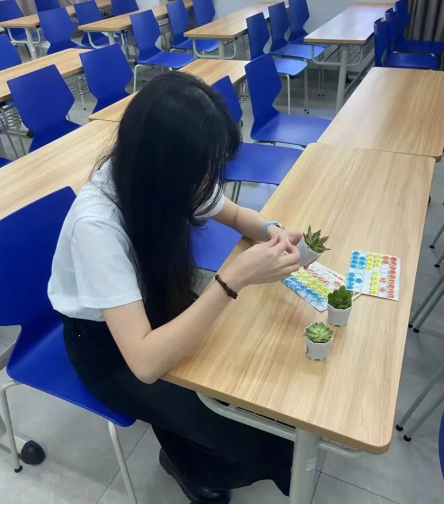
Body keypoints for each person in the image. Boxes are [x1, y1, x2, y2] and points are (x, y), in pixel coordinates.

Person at [48, 72, 302, 504]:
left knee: (256, 386)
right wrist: (233, 280)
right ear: (167, 166)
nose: (208, 183)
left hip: (156, 306)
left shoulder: (163, 178)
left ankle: (195, 448)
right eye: (203, 171)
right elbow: (145, 363)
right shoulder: (97, 225)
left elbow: (235, 214)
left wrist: (271, 230)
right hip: (108, 350)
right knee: (253, 433)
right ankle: (189, 464)